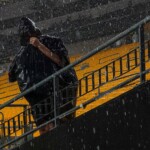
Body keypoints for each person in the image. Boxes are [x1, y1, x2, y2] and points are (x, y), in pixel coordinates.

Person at [8, 17, 78, 135]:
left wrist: (39, 46)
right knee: (45, 128)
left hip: (54, 95)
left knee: (54, 125)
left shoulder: (49, 42)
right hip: (38, 99)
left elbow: (60, 61)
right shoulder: (21, 54)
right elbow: (11, 76)